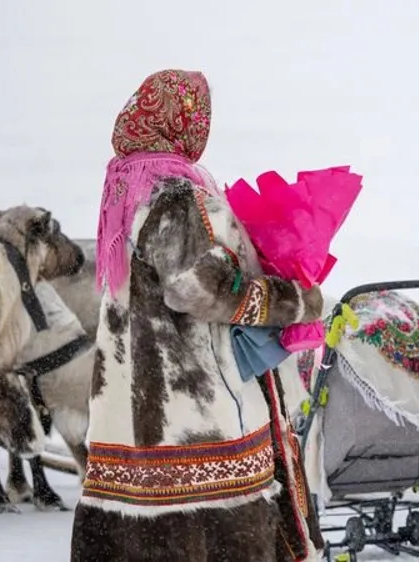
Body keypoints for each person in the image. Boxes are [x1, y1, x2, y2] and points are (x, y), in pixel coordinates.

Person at [70, 69, 325, 562]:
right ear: (184, 123)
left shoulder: (126, 194)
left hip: (134, 417)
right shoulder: (174, 196)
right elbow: (196, 288)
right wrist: (292, 297)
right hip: (197, 413)